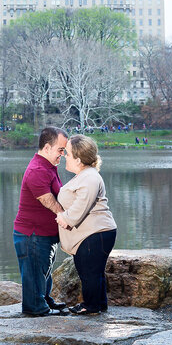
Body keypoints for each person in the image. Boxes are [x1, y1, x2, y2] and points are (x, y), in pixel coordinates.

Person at [56, 134, 117, 315]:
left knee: (90, 271)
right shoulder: (84, 175)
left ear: (79, 159)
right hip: (92, 233)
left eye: (67, 153)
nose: (64, 156)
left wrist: (64, 218)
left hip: (96, 233)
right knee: (90, 271)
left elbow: (81, 206)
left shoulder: (90, 177)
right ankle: (97, 304)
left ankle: (91, 306)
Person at [13, 127, 70, 316]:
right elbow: (49, 201)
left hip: (43, 235)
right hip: (32, 235)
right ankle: (36, 308)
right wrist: (68, 220)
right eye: (60, 150)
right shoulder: (37, 169)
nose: (63, 154)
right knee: (34, 273)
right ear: (47, 148)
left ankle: (44, 300)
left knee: (43, 272)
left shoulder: (48, 167)